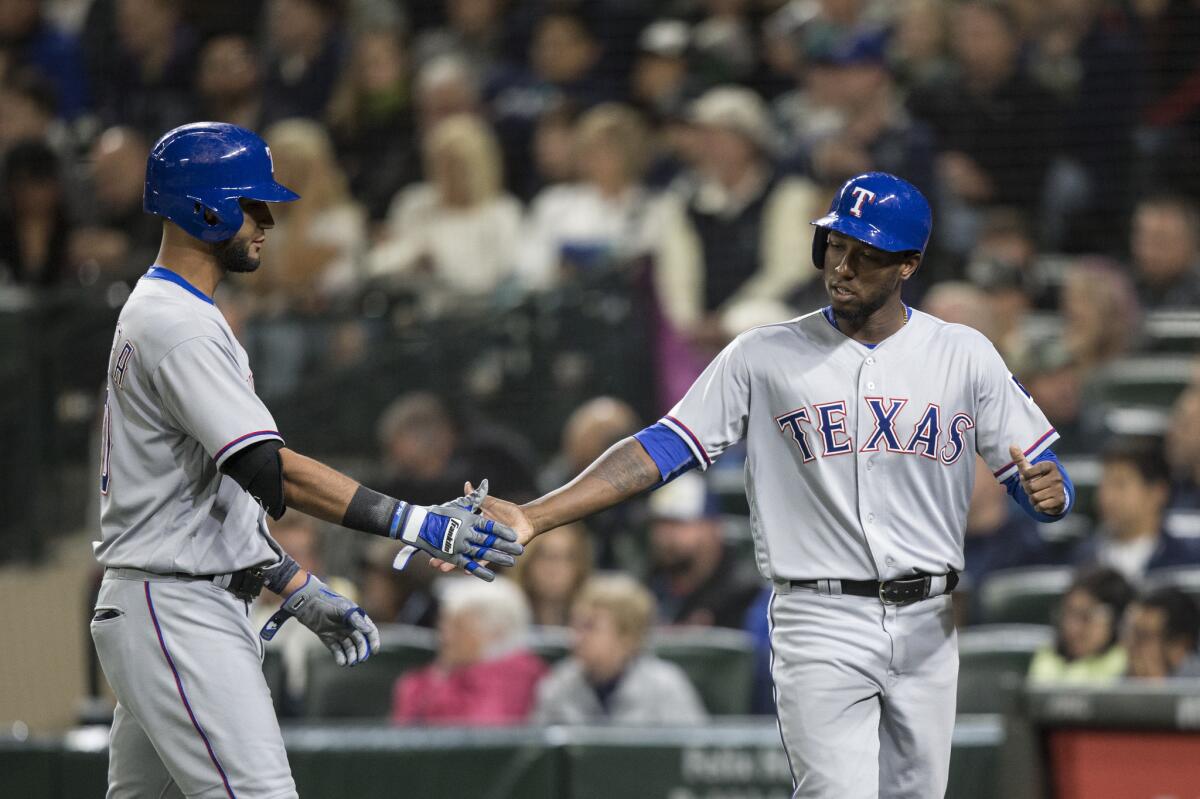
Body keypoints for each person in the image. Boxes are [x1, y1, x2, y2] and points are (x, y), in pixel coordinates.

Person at [457, 172, 1075, 797]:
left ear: (908, 265)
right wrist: (538, 514)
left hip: (930, 619)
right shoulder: (763, 354)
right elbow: (663, 447)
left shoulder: (963, 353)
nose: (843, 266)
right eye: (836, 246)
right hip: (820, 615)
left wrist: (1049, 495)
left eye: (866, 254)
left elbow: (1038, 473)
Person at [89, 122, 522, 798]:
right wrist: (420, 524)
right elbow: (270, 469)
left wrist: (290, 580)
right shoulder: (176, 322)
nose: (266, 220)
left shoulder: (173, 311)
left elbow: (205, 494)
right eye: (251, 204)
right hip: (175, 608)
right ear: (205, 208)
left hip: (169, 599)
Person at [531, 573, 708, 725]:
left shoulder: (666, 686)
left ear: (628, 637)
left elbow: (691, 756)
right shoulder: (558, 684)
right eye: (575, 625)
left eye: (590, 627)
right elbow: (537, 757)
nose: (576, 637)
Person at [392, 577, 547, 725]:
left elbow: (477, 736)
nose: (445, 637)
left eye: (458, 628)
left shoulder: (518, 674)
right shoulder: (430, 677)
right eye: (443, 625)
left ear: (495, 633)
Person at [1074, 437, 1200, 583]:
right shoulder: (1083, 558)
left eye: (1120, 485)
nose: (1106, 496)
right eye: (1103, 485)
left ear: (1157, 492)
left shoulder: (1187, 560)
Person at [647, 472, 762, 629]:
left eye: (678, 523)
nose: (664, 535)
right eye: (659, 523)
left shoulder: (745, 592)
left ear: (712, 527)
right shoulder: (650, 580)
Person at [1027, 567, 1134, 685]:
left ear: (1117, 622)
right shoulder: (1048, 657)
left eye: (1086, 616)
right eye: (1068, 613)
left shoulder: (1131, 667)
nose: (1072, 627)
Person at [513, 522, 594, 627]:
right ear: (527, 563)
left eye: (566, 557)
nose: (554, 569)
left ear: (580, 567)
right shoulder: (505, 617)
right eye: (545, 556)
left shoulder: (591, 625)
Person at [1129, 194, 1200, 310]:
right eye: (1142, 239)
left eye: (1160, 240)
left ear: (1191, 243)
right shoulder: (1123, 289)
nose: (1148, 250)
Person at [1123, 587, 1200, 679]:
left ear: (1179, 646)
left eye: (1143, 636)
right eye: (1130, 635)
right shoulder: (1125, 677)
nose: (1130, 645)